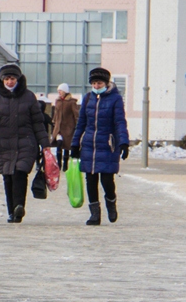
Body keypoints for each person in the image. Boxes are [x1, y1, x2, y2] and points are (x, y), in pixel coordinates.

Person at [0, 63, 50, 223]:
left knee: (20, 174)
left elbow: (38, 122)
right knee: (8, 177)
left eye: (13, 78)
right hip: (3, 145)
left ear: (18, 79)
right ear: (2, 80)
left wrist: (45, 143)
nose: (10, 81)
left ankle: (19, 207)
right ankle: (12, 211)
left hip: (25, 143)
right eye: (7, 78)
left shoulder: (29, 97)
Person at [71, 67, 129, 225]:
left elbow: (119, 122)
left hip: (107, 144)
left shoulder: (115, 99)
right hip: (89, 145)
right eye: (94, 83)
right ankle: (94, 214)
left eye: (100, 83)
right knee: (90, 180)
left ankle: (111, 203)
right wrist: (75, 144)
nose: (96, 86)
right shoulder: (88, 98)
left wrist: (124, 142)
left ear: (106, 83)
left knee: (107, 180)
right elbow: (81, 123)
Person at [52, 83, 79, 171]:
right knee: (59, 144)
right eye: (58, 91)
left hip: (68, 128)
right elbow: (56, 113)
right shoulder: (58, 101)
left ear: (65, 91)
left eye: (60, 90)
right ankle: (58, 164)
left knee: (66, 146)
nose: (59, 92)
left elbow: (76, 115)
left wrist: (77, 125)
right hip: (58, 127)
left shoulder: (71, 102)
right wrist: (54, 121)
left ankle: (65, 164)